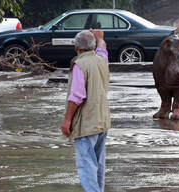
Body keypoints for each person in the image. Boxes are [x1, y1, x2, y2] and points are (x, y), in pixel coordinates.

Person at [61, 29, 110, 192]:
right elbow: (102, 48)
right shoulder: (102, 60)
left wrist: (67, 120)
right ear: (94, 46)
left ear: (76, 47)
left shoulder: (80, 64)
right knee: (98, 163)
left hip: (87, 124)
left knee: (87, 165)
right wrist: (100, 39)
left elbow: (76, 96)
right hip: (102, 121)